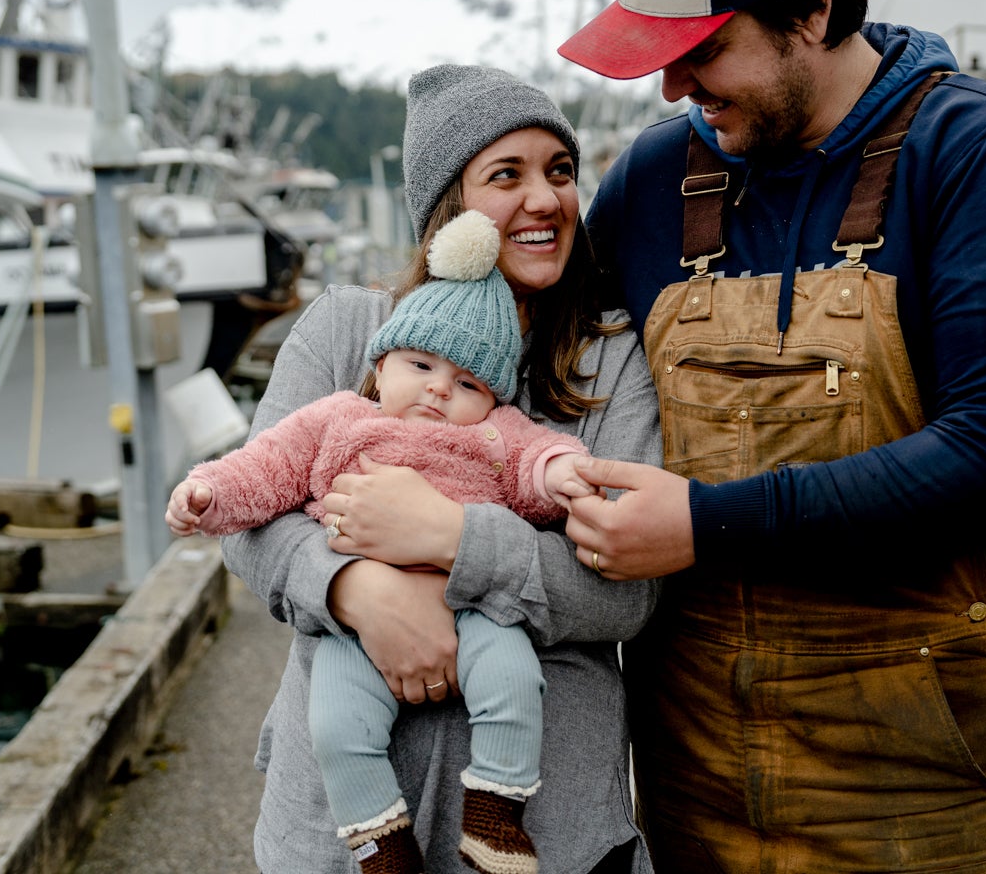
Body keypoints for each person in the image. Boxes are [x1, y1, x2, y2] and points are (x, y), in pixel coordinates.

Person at [554, 0, 986, 871]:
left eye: (703, 48)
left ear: (813, 8)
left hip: (922, 800)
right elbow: (534, 382)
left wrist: (702, 524)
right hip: (693, 799)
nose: (673, 89)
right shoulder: (650, 181)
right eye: (661, 55)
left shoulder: (979, 156)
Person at [220, 64, 661, 874]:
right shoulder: (347, 330)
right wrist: (356, 588)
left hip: (549, 827)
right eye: (507, 175)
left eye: (560, 172)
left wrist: (456, 540)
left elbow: (626, 588)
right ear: (446, 212)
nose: (546, 199)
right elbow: (251, 517)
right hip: (335, 829)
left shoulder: (611, 361)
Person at [169, 211, 598, 874]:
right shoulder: (340, 419)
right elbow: (266, 468)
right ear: (381, 364)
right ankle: (380, 845)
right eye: (419, 364)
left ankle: (495, 815)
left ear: (491, 398)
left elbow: (538, 459)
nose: (437, 388)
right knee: (337, 727)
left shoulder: (494, 432)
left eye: (466, 384)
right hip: (355, 626)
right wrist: (208, 493)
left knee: (513, 684)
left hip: (478, 604)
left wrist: (566, 474)